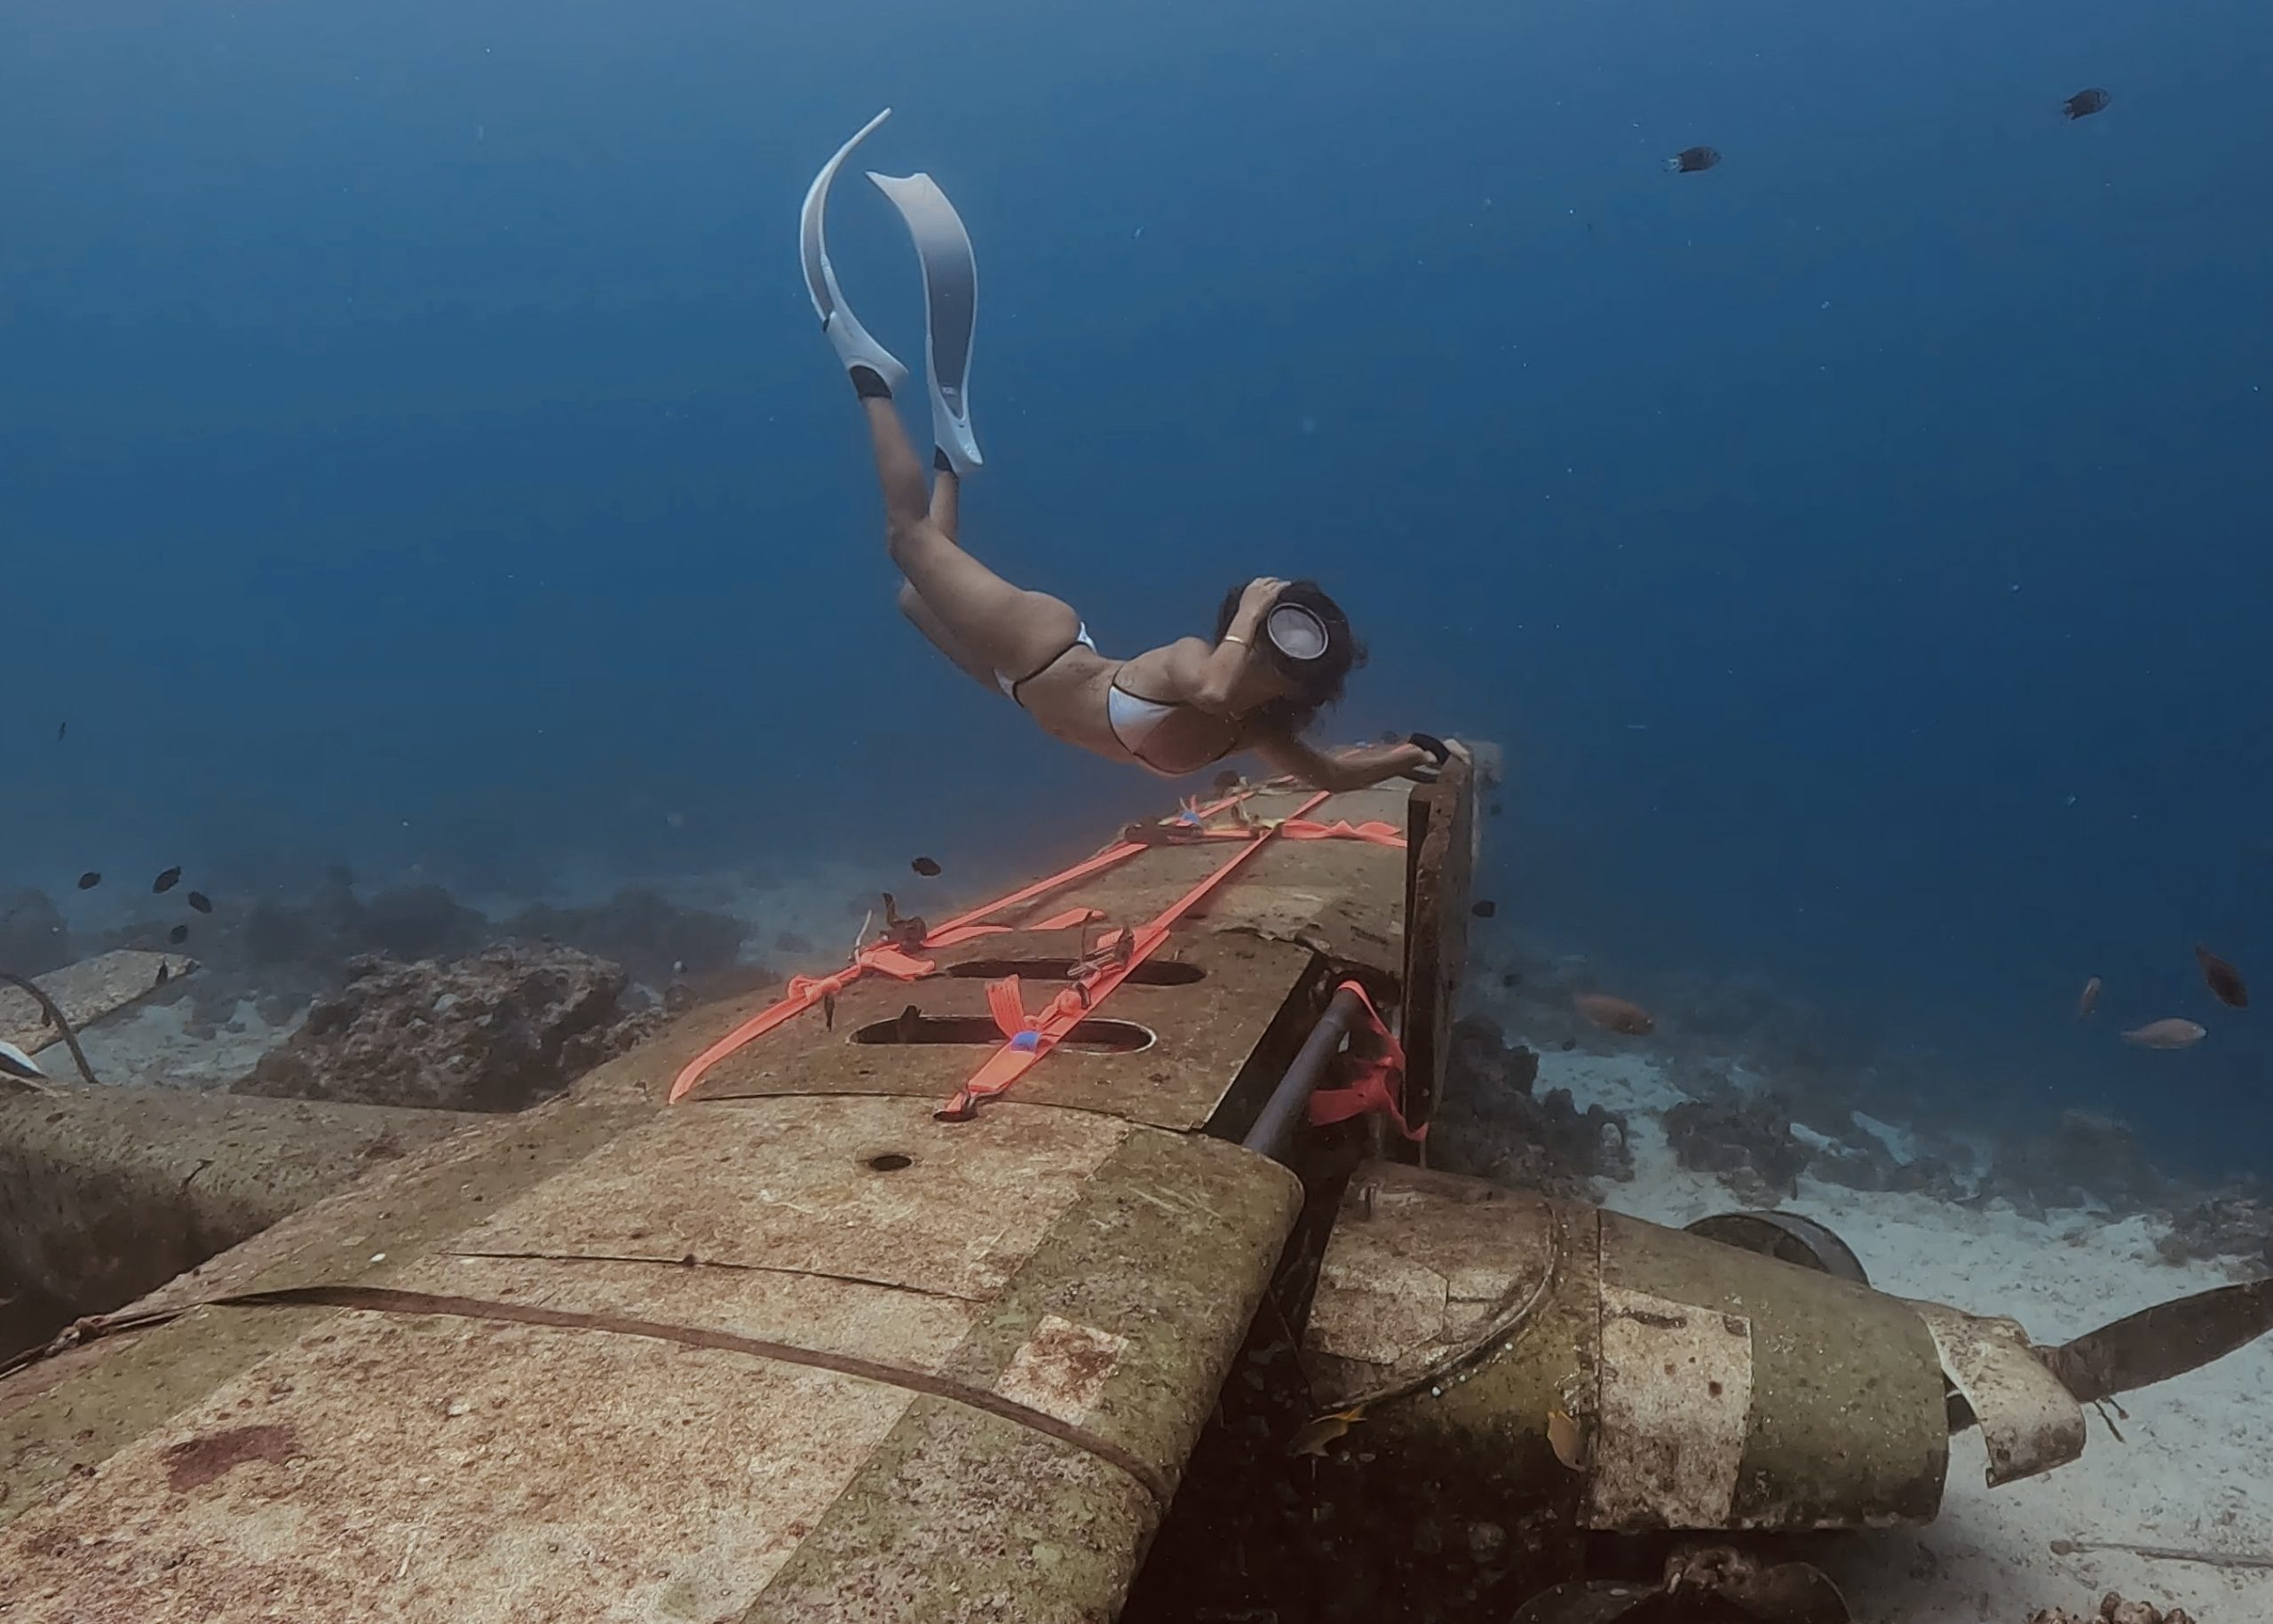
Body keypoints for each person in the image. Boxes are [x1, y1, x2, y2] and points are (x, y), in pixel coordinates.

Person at [800, 111, 1437, 790]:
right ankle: (869, 373)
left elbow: (1334, 776)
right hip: (1038, 646)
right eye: (1272, 636)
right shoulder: (1196, 664)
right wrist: (1252, 607)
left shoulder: (1260, 728)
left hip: (1021, 687)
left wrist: (1420, 754)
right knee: (906, 538)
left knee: (912, 597)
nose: (1273, 656)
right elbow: (1217, 689)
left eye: (1295, 653)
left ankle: (951, 459)